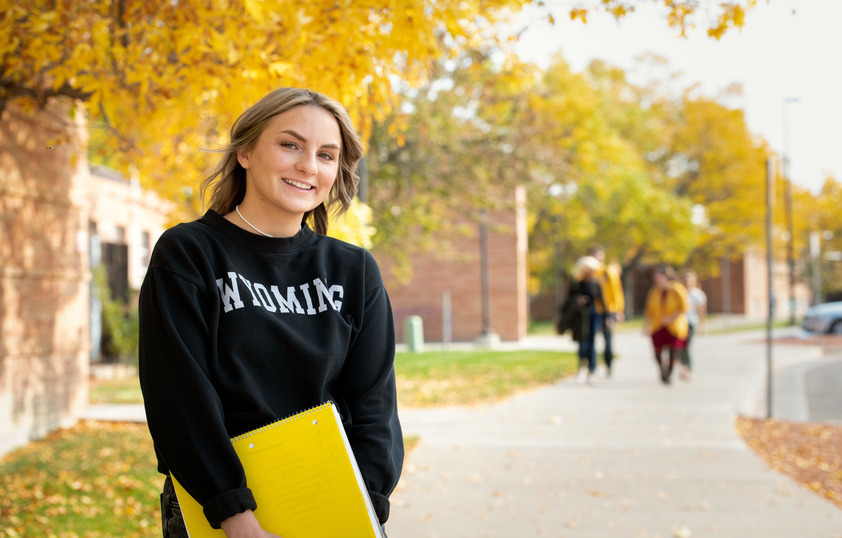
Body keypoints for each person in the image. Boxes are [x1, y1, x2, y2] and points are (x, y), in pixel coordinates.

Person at [138, 87, 403, 538]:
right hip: (218, 511)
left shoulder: (354, 270)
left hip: (332, 501)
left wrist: (367, 507)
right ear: (245, 151)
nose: (308, 166)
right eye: (290, 145)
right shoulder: (189, 254)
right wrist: (235, 515)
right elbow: (177, 398)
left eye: (326, 154)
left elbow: (375, 404)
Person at [643, 264, 690, 385]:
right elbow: (649, 310)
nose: (656, 279)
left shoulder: (677, 289)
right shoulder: (654, 291)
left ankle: (669, 373)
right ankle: (662, 370)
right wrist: (646, 325)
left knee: (673, 351)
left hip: (674, 326)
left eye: (658, 276)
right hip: (658, 325)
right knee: (657, 351)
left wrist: (671, 318)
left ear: (665, 276)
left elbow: (684, 307)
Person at [587, 246, 625, 377]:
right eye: (593, 255)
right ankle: (591, 367)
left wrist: (619, 310)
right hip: (592, 309)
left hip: (607, 310)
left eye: (598, 255)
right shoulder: (588, 272)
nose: (596, 258)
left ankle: (608, 364)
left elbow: (617, 291)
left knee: (607, 339)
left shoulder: (608, 272)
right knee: (590, 339)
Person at [568, 255, 605, 385]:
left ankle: (592, 370)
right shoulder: (576, 285)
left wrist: (606, 318)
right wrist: (578, 300)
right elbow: (568, 300)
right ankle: (581, 367)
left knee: (591, 344)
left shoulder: (596, 284)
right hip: (580, 318)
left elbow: (602, 301)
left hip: (593, 316)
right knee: (582, 344)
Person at [679, 268, 707, 381]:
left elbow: (701, 313)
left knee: (686, 346)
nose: (687, 282)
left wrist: (702, 327)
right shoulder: (678, 292)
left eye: (689, 279)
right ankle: (683, 367)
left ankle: (687, 369)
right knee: (679, 346)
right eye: (685, 279)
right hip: (679, 324)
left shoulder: (698, 295)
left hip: (690, 323)